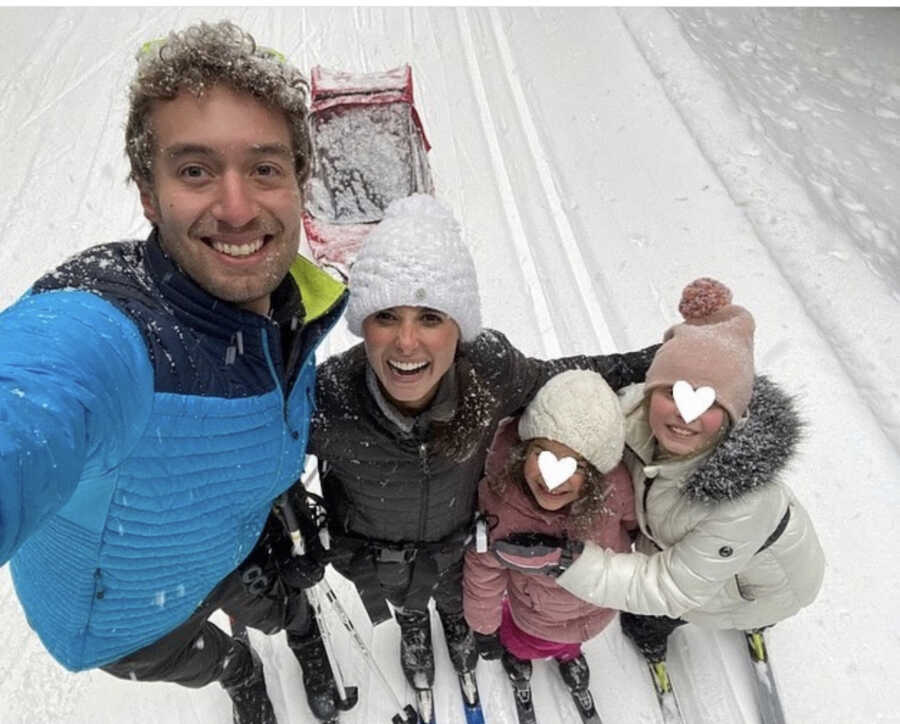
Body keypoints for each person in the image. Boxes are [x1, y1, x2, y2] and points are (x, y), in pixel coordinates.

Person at [0, 20, 347, 724]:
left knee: (279, 603)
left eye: (265, 168)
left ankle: (301, 634)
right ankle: (238, 673)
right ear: (148, 194)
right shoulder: (110, 333)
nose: (239, 206)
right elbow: (35, 396)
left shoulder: (295, 308)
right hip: (130, 620)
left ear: (297, 185)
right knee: (209, 657)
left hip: (234, 546)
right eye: (195, 169)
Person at [306, 193, 658, 699]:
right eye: (386, 316)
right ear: (363, 325)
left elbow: (559, 379)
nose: (406, 342)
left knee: (453, 595)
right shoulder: (330, 398)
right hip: (378, 554)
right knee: (406, 599)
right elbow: (255, 462)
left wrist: (655, 361)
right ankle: (413, 628)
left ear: (459, 327)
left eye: (430, 317)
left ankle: (454, 623)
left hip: (458, 542)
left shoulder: (486, 372)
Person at [550, 278, 825, 669]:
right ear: (650, 393)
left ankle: (670, 634)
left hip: (761, 588)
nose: (686, 413)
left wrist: (567, 563)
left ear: (735, 415)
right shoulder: (632, 415)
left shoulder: (743, 502)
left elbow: (671, 587)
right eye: (672, 392)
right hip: (685, 549)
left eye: (709, 401)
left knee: (658, 611)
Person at [462, 370, 638, 718]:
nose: (551, 477)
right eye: (543, 455)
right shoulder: (501, 504)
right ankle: (520, 656)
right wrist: (484, 627)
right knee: (525, 642)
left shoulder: (615, 490)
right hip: (533, 613)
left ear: (597, 471)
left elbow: (633, 527)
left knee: (570, 642)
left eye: (574, 465)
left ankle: (568, 653)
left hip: (597, 608)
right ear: (524, 449)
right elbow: (484, 570)